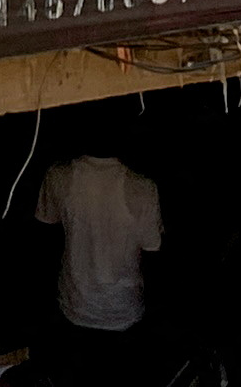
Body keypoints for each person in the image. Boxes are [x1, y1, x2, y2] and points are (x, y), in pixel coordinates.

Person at [35, 148, 168, 382]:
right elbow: (153, 254)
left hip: (77, 307)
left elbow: (45, 240)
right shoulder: (143, 188)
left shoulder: (59, 176)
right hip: (121, 311)